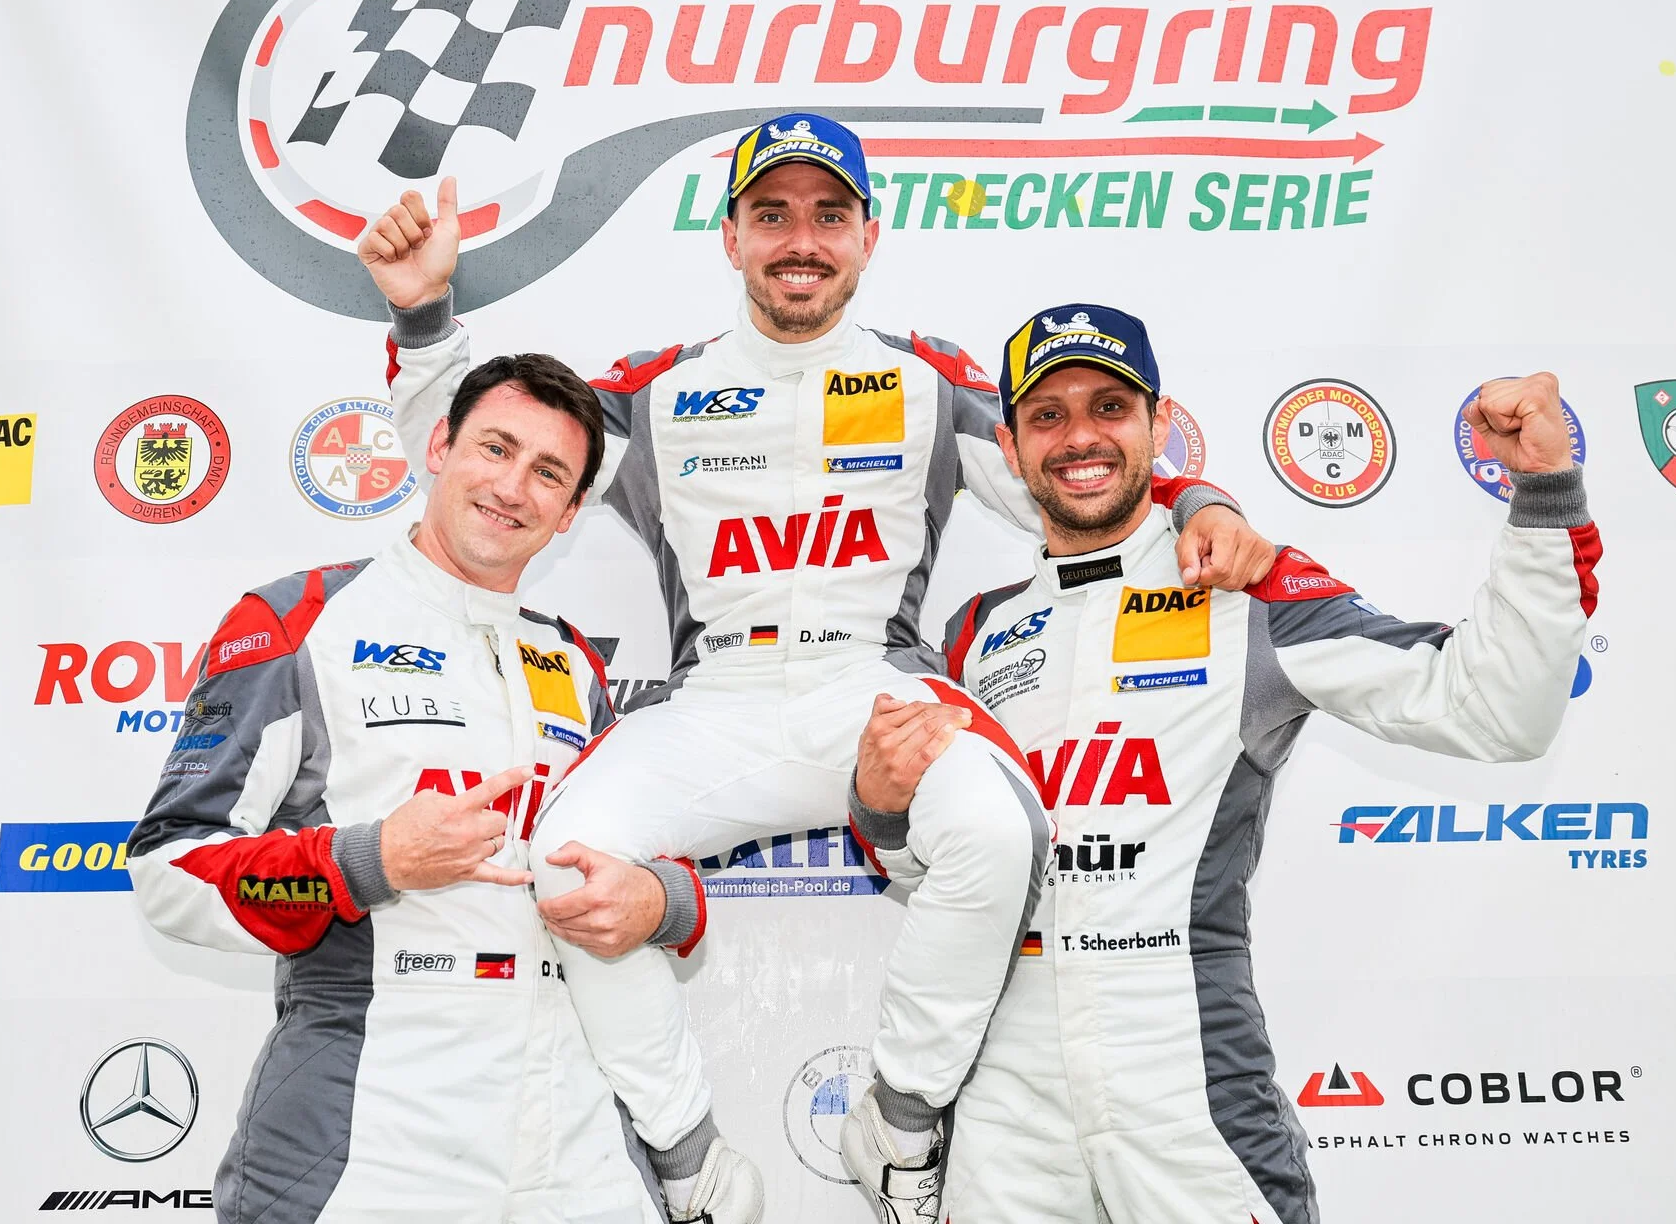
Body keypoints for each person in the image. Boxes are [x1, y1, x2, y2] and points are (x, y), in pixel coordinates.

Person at [360, 114, 1276, 1221]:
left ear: (867, 236)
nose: (801, 239)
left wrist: (1202, 499)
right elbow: (478, 445)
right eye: (773, 213)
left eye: (829, 215)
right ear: (732, 235)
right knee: (560, 863)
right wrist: (422, 315)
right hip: (717, 700)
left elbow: (1077, 470)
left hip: (872, 686)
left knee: (997, 832)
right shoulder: (662, 389)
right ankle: (690, 1162)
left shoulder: (927, 381)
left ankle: (898, 1122)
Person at [847, 303, 1604, 1222]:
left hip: (1185, 1076)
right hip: (1005, 1098)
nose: (1079, 437)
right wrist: (881, 808)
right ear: (1009, 445)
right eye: (1048, 415)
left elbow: (1495, 708)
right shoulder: (976, 631)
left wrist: (1544, 492)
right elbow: (936, 872)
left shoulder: (1249, 590)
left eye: (1109, 408)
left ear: (1159, 424)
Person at [127, 354, 665, 1223]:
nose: (513, 488)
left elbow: (644, 857)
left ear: (570, 512)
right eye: (496, 448)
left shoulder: (573, 661)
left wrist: (659, 898)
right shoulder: (299, 618)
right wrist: (370, 860)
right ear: (440, 446)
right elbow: (169, 870)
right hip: (372, 1123)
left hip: (574, 1126)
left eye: (548, 473)